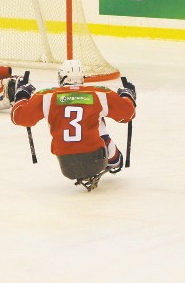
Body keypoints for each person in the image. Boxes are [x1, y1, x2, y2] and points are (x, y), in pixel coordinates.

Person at [10, 59, 136, 191]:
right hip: (96, 160)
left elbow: (19, 117)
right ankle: (113, 157)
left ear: (61, 77)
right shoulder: (100, 93)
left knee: (80, 117)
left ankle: (108, 155)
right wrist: (127, 95)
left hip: (67, 165)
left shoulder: (46, 96)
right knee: (96, 116)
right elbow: (127, 115)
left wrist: (22, 94)